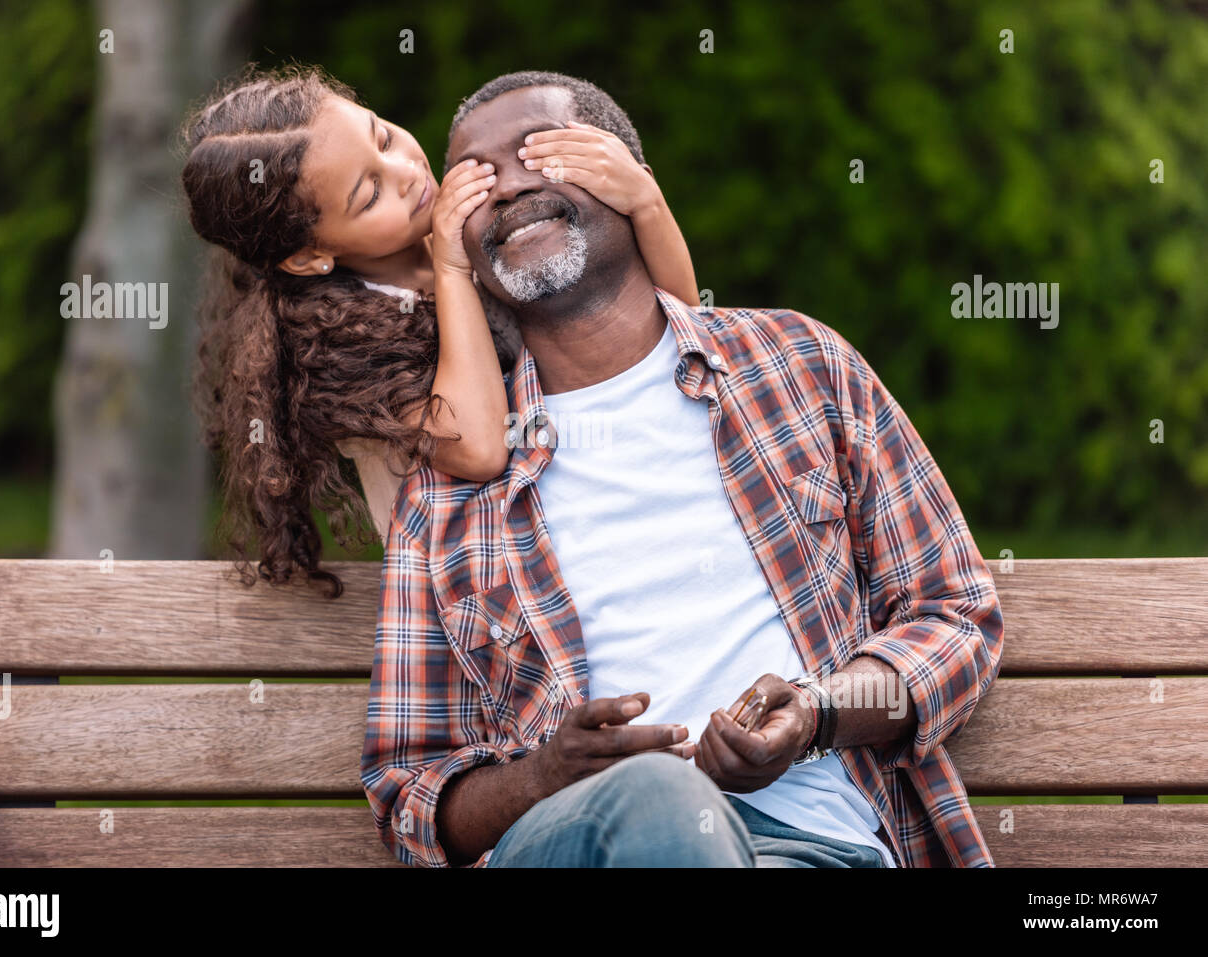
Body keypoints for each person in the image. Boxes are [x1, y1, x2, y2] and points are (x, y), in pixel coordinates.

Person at [361, 71, 1005, 868]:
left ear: (630, 180)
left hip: (810, 847)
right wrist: (540, 778)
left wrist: (815, 712)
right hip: (572, 848)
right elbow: (410, 788)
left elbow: (955, 615)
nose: (509, 188)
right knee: (658, 793)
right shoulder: (448, 490)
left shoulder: (800, 365)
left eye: (541, 153)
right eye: (476, 181)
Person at [179, 64, 698, 592]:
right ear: (310, 256)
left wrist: (645, 201)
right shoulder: (329, 354)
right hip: (487, 593)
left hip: (592, 522)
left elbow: (674, 329)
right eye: (370, 194)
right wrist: (451, 270)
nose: (404, 170)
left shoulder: (471, 222)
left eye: (381, 136)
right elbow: (479, 448)